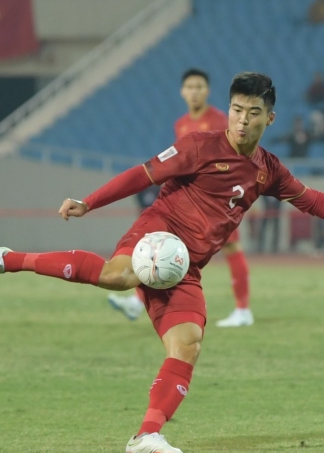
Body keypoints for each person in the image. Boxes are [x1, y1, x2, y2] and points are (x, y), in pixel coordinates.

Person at [0, 72, 324, 453]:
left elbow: (313, 200)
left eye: (252, 113)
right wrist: (89, 203)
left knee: (188, 343)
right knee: (118, 276)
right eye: (237, 110)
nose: (242, 120)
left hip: (186, 267)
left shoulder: (269, 169)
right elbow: (141, 174)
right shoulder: (198, 146)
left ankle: (147, 434)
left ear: (269, 118)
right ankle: (7, 259)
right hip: (156, 235)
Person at [107, 69, 258, 329]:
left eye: (199, 86)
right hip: (191, 202)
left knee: (230, 249)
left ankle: (243, 310)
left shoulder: (221, 120)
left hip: (217, 202)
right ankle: (137, 299)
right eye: (190, 87)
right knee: (164, 250)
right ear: (182, 92)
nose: (194, 91)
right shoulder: (181, 123)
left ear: (208, 91)